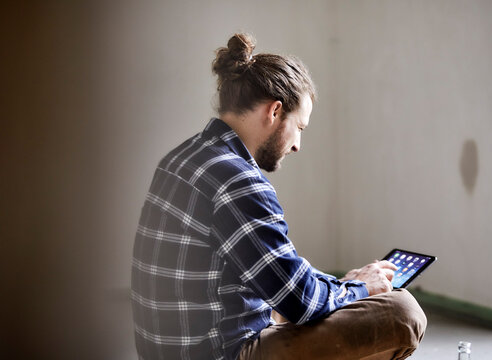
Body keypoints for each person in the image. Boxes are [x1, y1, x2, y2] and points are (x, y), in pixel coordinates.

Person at [131, 33, 426, 360]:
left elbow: (274, 274)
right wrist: (361, 288)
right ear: (274, 111)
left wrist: (343, 284)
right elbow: (298, 301)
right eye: (299, 127)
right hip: (219, 353)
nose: (298, 145)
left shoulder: (181, 157)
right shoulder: (238, 180)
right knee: (403, 312)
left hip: (170, 348)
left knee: (305, 294)